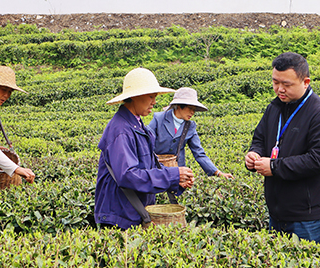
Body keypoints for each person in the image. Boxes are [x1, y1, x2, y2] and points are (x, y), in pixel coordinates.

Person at [245, 52, 320, 245]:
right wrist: (254, 154)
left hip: (309, 216)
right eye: (275, 82)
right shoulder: (274, 108)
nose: (279, 89)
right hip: (277, 212)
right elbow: (260, 138)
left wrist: (274, 167)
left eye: (286, 85)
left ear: (305, 82)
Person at [95, 67, 195, 229]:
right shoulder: (121, 130)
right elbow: (128, 176)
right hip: (119, 217)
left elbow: (148, 168)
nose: (154, 102)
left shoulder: (138, 126)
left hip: (132, 213)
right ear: (135, 97)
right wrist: (172, 176)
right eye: (151, 96)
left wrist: (176, 181)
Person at [148, 87, 233, 179]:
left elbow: (199, 153)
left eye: (194, 109)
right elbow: (146, 143)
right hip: (156, 169)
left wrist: (218, 173)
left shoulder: (190, 126)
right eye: (190, 108)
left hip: (178, 171)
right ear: (179, 106)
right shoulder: (158, 119)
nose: (192, 112)